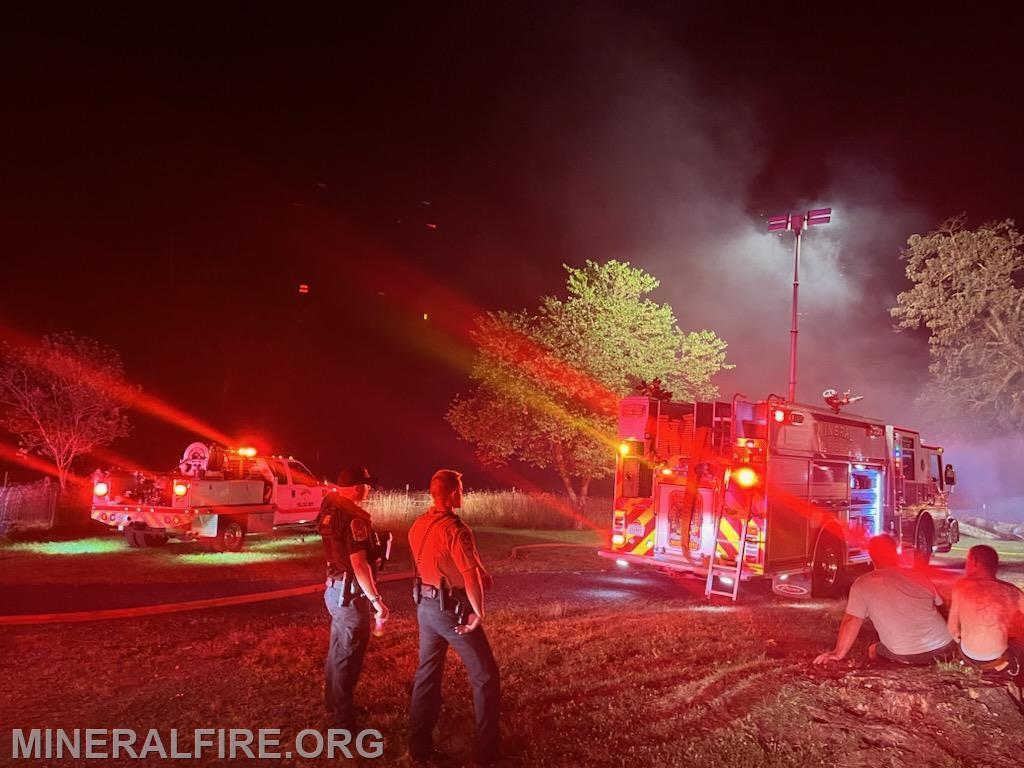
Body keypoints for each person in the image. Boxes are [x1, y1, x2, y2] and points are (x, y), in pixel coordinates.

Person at [407, 469, 500, 766]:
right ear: (453, 493)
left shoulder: (419, 524)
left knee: (427, 674)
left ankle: (418, 747)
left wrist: (481, 570)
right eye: (460, 489)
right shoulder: (455, 529)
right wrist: (478, 613)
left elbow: (448, 560)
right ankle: (486, 753)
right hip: (452, 610)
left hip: (426, 606)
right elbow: (469, 576)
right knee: (485, 676)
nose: (462, 493)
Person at [318, 465, 389, 730]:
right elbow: (359, 565)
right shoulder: (353, 518)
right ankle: (342, 720)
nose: (369, 490)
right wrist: (376, 601)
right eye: (367, 485)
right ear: (358, 488)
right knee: (349, 654)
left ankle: (335, 703)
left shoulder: (330, 510)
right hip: (349, 594)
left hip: (334, 589)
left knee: (338, 650)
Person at [814, 534, 957, 665]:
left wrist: (838, 653)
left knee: (873, 649)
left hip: (906, 655)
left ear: (871, 556)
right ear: (895, 553)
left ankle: (891, 666)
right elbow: (941, 606)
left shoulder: (862, 584)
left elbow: (852, 620)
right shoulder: (918, 575)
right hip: (946, 647)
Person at [948, 544, 1024, 676]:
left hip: (968, 656)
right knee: (1018, 642)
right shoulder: (1013, 592)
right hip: (998, 659)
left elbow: (952, 629)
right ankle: (1011, 668)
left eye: (967, 561)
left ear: (974, 561)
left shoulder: (961, 586)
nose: (965, 565)